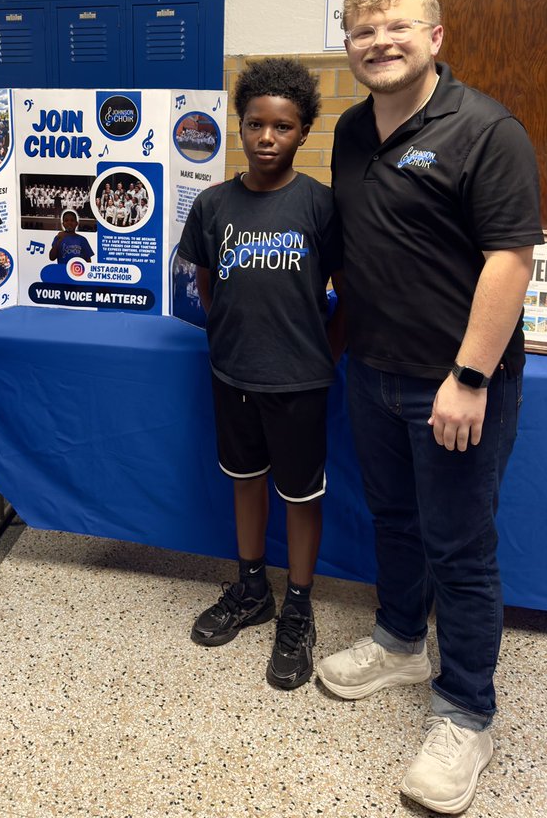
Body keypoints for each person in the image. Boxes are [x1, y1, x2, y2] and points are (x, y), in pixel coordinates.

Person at [316, 0, 542, 815]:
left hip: (457, 385)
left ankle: (467, 714)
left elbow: (510, 259)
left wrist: (470, 376)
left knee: (460, 546)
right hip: (372, 372)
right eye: (362, 31)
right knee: (396, 521)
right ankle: (401, 641)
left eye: (397, 27)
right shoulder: (350, 129)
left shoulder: (486, 129)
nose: (379, 43)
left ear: (435, 37)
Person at [179, 57, 343, 690]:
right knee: (245, 482)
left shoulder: (320, 205)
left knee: (300, 495)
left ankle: (298, 605)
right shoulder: (213, 205)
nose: (267, 137)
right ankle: (253, 590)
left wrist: (323, 354)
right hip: (233, 374)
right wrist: (231, 339)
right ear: (240, 126)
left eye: (283, 126)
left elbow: (349, 294)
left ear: (303, 131)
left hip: (300, 380)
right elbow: (206, 284)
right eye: (255, 124)